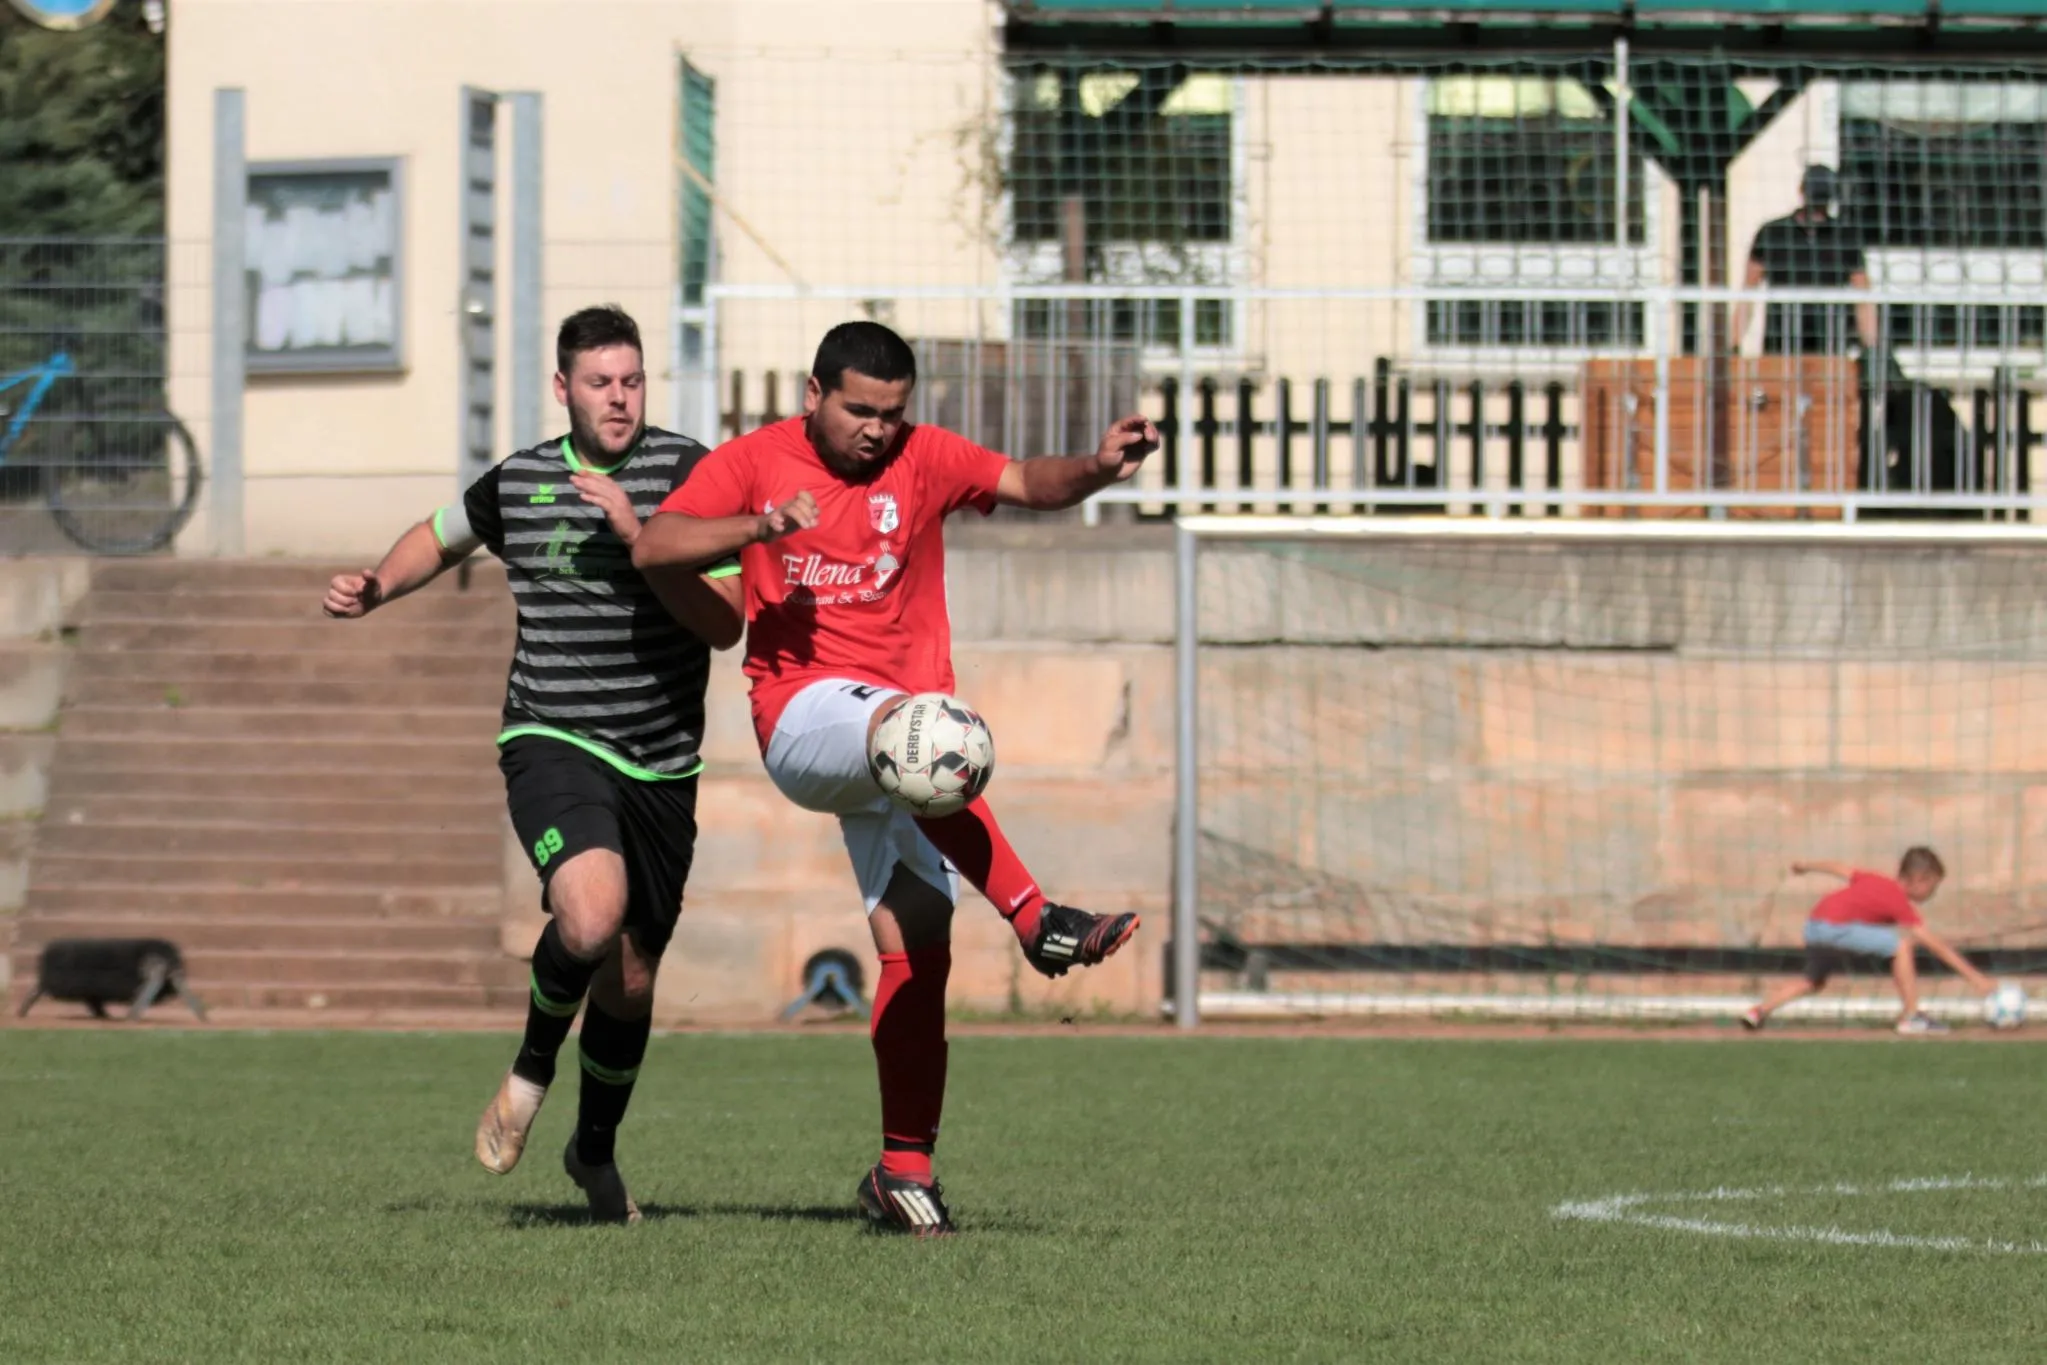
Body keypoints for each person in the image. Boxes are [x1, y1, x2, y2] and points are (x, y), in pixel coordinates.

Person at [631, 321, 1157, 1236]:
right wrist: (759, 526)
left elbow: (1026, 481)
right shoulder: (754, 460)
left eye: (891, 412)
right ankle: (1036, 916)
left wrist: (1098, 468)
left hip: (902, 752)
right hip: (804, 718)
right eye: (858, 409)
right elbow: (654, 545)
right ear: (813, 394)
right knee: (914, 730)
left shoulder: (923, 456)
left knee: (918, 944)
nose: (877, 429)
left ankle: (902, 1171)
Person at [322, 305, 739, 1223]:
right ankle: (528, 1071)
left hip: (662, 761)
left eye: (631, 380)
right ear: (563, 388)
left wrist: (641, 539)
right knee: (590, 915)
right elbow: (440, 532)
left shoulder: (693, 475)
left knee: (630, 978)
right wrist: (378, 585)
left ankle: (593, 1150)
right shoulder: (523, 480)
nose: (619, 398)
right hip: (552, 736)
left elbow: (725, 623)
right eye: (600, 382)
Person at [1740, 847, 1996, 1035]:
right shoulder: (1897, 899)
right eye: (1933, 887)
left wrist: (1806, 865)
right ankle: (1911, 1016)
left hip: (1814, 926)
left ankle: (1758, 1011)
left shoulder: (1875, 879)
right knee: (1902, 945)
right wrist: (1976, 978)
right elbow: (1935, 945)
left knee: (1812, 981)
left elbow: (1838, 867)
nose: (1932, 893)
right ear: (1920, 880)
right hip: (1836, 928)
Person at [1731, 164, 1877, 360]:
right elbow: (1748, 291)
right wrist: (1733, 343)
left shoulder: (1844, 237)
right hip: (1781, 342)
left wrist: (1872, 346)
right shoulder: (1774, 233)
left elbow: (1863, 297)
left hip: (1828, 344)